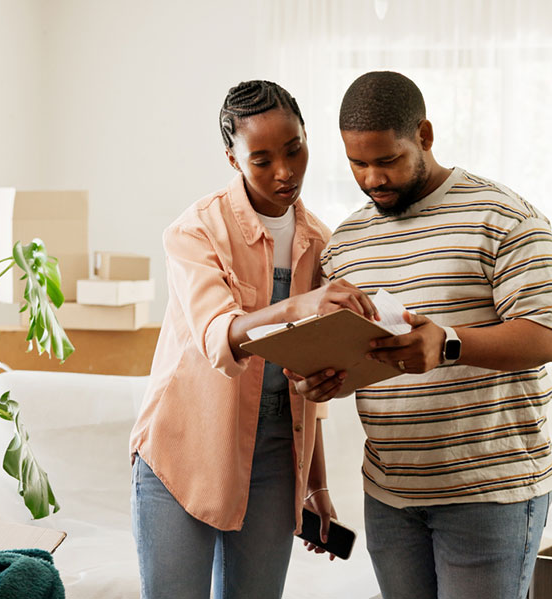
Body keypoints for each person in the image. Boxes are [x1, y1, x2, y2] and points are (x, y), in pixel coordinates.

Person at [287, 71, 552, 599]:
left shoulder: (505, 217)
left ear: (425, 135)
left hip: (490, 492)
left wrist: (448, 342)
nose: (373, 178)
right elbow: (364, 357)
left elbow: (547, 335)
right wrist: (329, 380)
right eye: (357, 163)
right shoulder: (345, 243)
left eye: (387, 160)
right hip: (390, 493)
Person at [129, 80, 377, 599]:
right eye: (261, 159)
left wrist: (316, 484)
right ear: (232, 159)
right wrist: (300, 305)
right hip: (184, 449)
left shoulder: (322, 243)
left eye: (294, 149)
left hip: (275, 459)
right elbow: (219, 336)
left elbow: (308, 394)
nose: (285, 172)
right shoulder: (194, 232)